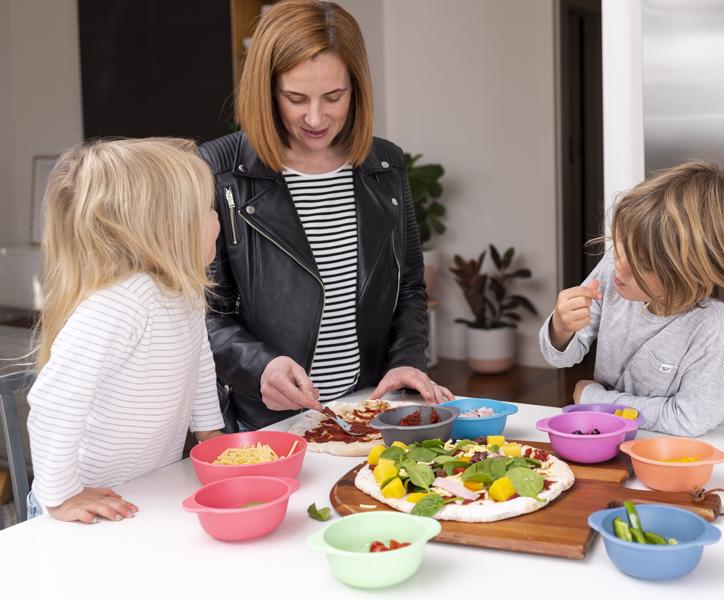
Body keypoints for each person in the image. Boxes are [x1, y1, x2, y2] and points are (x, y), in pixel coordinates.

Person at [200, 0, 453, 432]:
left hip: (367, 413)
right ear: (266, 89)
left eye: (333, 97)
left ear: (356, 88)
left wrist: (407, 362)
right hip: (263, 426)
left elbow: (409, 286)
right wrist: (260, 365)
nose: (316, 118)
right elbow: (203, 311)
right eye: (295, 98)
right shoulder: (218, 169)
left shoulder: (385, 165)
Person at [26, 138, 225, 523]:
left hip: (142, 491)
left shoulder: (182, 293)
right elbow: (54, 401)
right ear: (167, 230)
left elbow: (198, 364)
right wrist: (61, 496)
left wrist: (209, 433)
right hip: (83, 508)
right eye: (207, 210)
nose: (218, 219)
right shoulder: (121, 303)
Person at [539, 161, 724, 437]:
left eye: (642, 264)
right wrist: (561, 329)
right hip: (614, 440)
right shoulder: (616, 270)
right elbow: (561, 356)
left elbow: (687, 419)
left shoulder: (715, 330)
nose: (620, 265)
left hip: (687, 456)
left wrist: (595, 401)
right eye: (620, 245)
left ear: (693, 276)